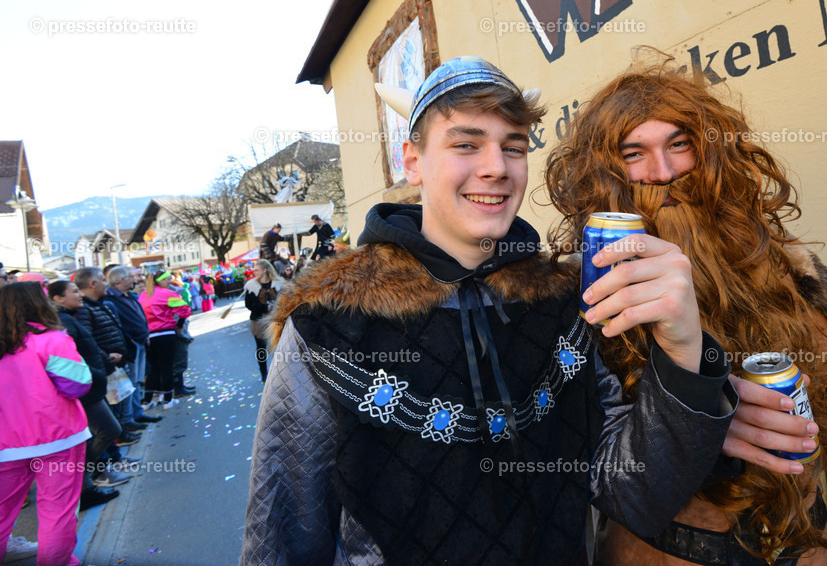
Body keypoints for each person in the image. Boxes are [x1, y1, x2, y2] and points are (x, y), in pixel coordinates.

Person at [242, 56, 737, 564]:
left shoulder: (563, 305)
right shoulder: (328, 323)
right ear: (412, 161)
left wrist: (684, 354)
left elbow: (633, 493)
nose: (496, 167)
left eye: (513, 147)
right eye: (466, 144)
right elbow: (282, 539)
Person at [544, 58, 827, 564]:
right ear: (604, 174)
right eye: (635, 154)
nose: (666, 173)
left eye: (679, 144)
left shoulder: (786, 272)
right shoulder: (580, 299)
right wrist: (701, 431)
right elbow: (584, 469)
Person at [0, 282, 93, 565]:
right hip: (58, 436)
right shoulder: (51, 339)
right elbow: (78, 385)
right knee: (58, 509)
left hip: (6, 445)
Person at [48, 280, 129, 507]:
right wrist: (93, 374)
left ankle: (86, 481)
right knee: (108, 430)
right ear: (58, 298)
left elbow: (87, 347)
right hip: (85, 389)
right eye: (74, 292)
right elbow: (71, 357)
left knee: (98, 434)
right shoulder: (62, 321)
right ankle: (85, 476)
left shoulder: (69, 317)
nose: (79, 295)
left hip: (89, 385)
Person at [73, 267, 141, 448]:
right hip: (105, 364)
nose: (106, 284)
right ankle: (112, 450)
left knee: (119, 401)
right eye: (103, 280)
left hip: (115, 361)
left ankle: (121, 434)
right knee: (111, 408)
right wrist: (106, 357)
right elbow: (88, 339)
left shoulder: (98, 303)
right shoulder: (84, 309)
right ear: (93, 284)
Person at [105, 266, 164, 428]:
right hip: (129, 344)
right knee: (129, 382)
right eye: (133, 276)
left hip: (140, 341)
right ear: (120, 280)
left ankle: (137, 413)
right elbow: (117, 323)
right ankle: (128, 418)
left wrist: (145, 334)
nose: (136, 279)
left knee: (137, 380)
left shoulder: (129, 296)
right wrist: (129, 339)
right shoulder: (110, 298)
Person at [138, 271, 192, 410]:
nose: (170, 281)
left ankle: (147, 401)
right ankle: (168, 400)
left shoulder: (143, 295)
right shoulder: (166, 294)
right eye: (168, 279)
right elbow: (185, 309)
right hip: (166, 334)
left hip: (149, 336)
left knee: (154, 369)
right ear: (160, 281)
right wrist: (179, 326)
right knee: (167, 368)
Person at [243, 260, 284, 383]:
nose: (254, 272)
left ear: (265, 270)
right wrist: (264, 307)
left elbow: (284, 299)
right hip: (259, 320)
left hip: (276, 320)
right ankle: (264, 374)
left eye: (256, 270)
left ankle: (281, 373)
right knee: (261, 348)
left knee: (280, 347)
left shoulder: (278, 283)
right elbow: (248, 304)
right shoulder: (251, 285)